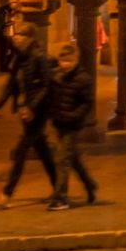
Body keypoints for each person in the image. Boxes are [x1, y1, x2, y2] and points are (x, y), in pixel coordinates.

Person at [0, 27, 57, 207]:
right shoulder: (19, 58)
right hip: (25, 111)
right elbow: (10, 86)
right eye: (15, 35)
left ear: (29, 38)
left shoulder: (38, 56)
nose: (16, 38)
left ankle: (8, 192)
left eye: (20, 35)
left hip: (38, 111)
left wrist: (32, 107)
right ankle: (59, 187)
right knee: (43, 149)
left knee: (22, 149)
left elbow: (46, 85)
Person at [44, 42, 97, 210]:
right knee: (71, 158)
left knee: (61, 159)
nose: (65, 64)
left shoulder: (83, 79)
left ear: (76, 60)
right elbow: (52, 97)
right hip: (59, 122)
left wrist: (74, 116)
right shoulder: (57, 76)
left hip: (72, 125)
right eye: (63, 60)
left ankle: (61, 197)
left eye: (69, 61)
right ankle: (89, 184)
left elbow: (87, 103)